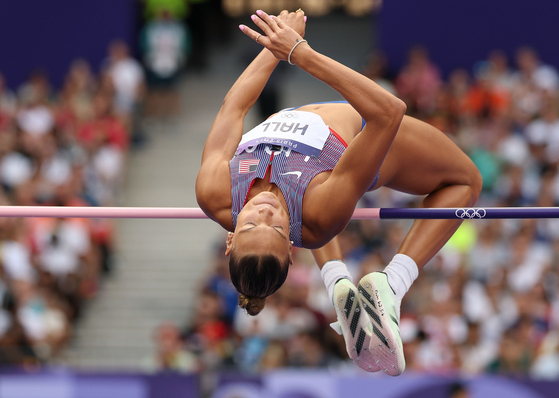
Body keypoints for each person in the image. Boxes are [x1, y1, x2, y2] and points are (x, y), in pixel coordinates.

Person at [195, 10, 482, 376]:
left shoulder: (214, 190)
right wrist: (300, 53)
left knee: (315, 221)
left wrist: (275, 45)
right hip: (364, 133)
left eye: (251, 226)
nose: (264, 213)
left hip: (301, 124)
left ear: (230, 239)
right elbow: (389, 112)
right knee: (466, 182)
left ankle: (337, 284)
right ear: (291, 246)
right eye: (279, 230)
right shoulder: (315, 212)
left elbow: (234, 107)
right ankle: (392, 285)